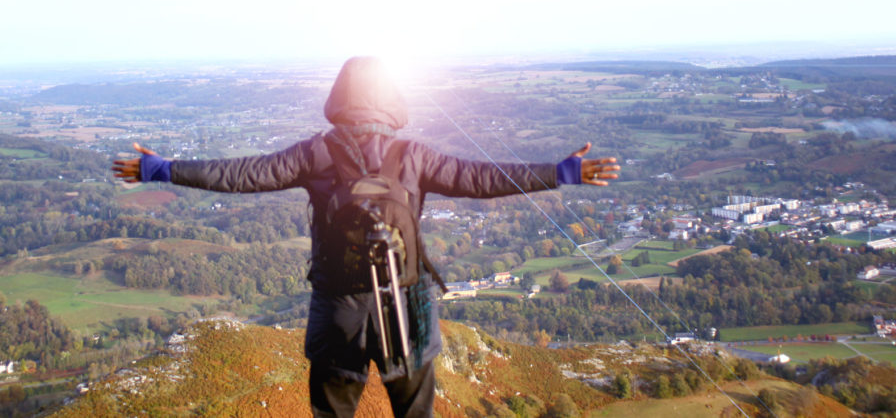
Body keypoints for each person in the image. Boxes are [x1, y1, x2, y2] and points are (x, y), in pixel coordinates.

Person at [112, 56, 618, 418]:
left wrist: (163, 170)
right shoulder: (413, 156)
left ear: (338, 99)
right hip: (408, 304)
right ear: (391, 101)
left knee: (333, 411)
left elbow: (241, 174)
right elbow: (484, 180)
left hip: (338, 307)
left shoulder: (316, 153)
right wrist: (561, 172)